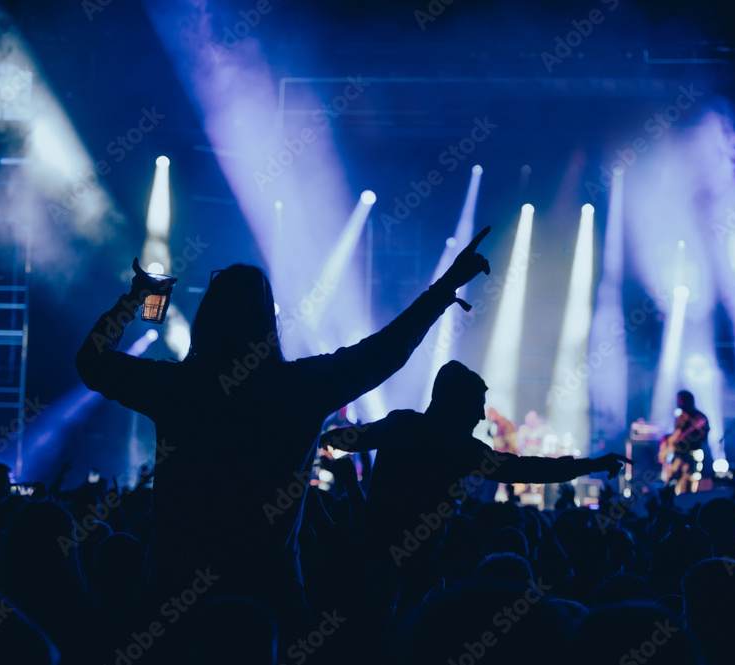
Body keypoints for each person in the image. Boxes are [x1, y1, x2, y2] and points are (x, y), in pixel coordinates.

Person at [74, 227, 492, 646]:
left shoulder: (178, 387)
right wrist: (444, 289)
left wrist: (135, 300)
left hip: (173, 597)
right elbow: (386, 350)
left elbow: (91, 362)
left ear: (207, 320)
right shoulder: (298, 388)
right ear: (268, 323)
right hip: (271, 595)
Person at [323, 360, 631, 602]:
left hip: (369, 556)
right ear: (455, 403)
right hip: (414, 569)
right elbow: (523, 470)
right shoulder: (459, 448)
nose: (482, 417)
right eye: (476, 405)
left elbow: (345, 439)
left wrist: (312, 433)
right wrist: (593, 465)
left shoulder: (402, 424)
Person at [658, 390, 709, 494]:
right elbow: (677, 433)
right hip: (680, 454)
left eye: (681, 400)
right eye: (679, 400)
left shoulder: (699, 417)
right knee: (675, 478)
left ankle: (690, 500)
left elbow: (703, 435)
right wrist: (667, 440)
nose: (679, 403)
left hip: (693, 452)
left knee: (692, 478)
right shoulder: (681, 417)